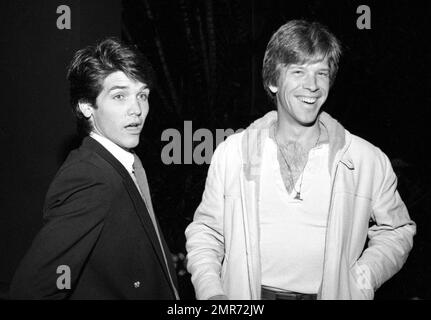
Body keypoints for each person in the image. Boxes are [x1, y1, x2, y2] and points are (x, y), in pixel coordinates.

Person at [185, 20, 416, 300]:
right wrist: (212, 294)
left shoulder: (365, 159)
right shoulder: (232, 153)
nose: (313, 86)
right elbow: (207, 232)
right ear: (273, 81)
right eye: (298, 71)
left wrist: (360, 280)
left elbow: (398, 230)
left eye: (322, 73)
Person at [9, 38, 179, 299]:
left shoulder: (123, 163)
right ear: (86, 107)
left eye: (142, 95)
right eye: (120, 96)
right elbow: (31, 290)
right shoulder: (89, 176)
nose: (137, 110)